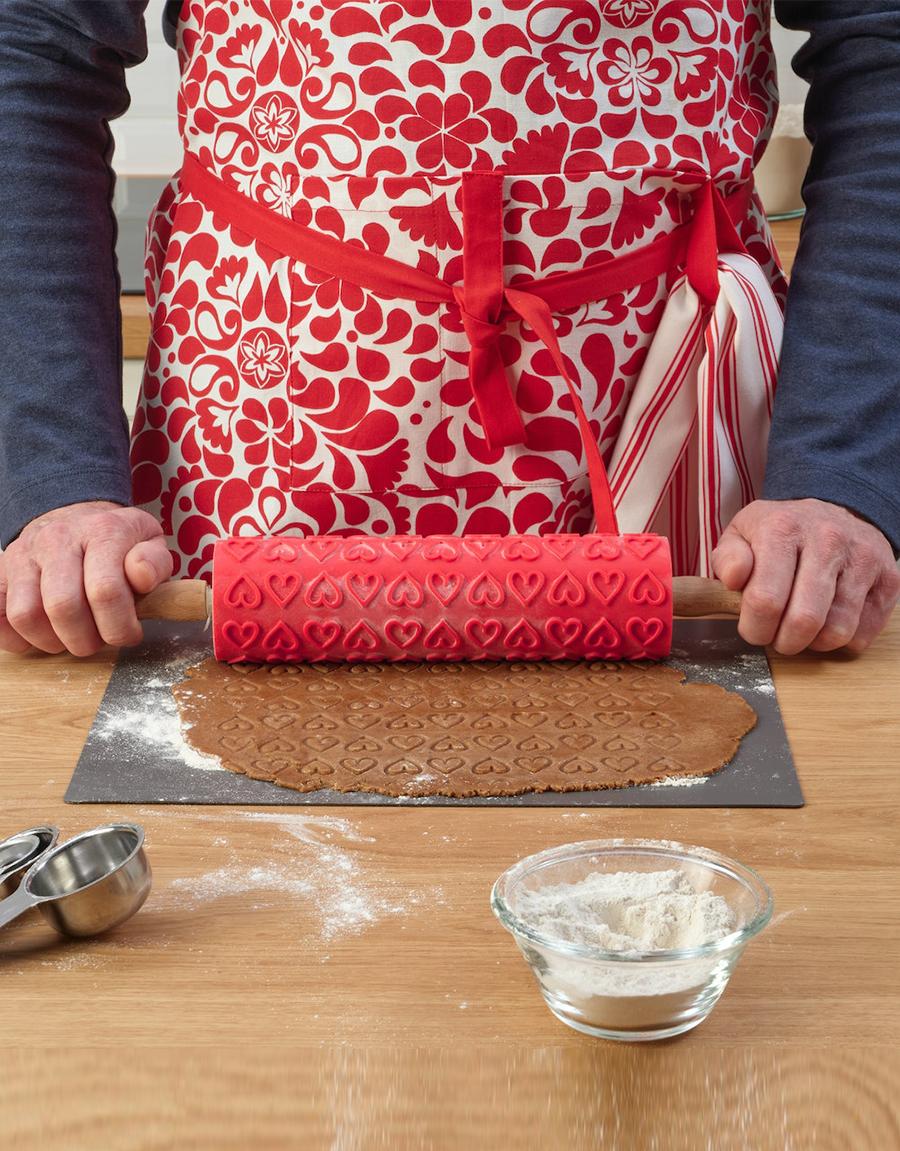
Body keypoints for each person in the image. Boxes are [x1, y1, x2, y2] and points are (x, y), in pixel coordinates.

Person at [0, 0, 897, 662]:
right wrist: (51, 474)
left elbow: (883, 49)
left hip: (665, 416)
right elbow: (35, 60)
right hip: (271, 409)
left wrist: (834, 470)